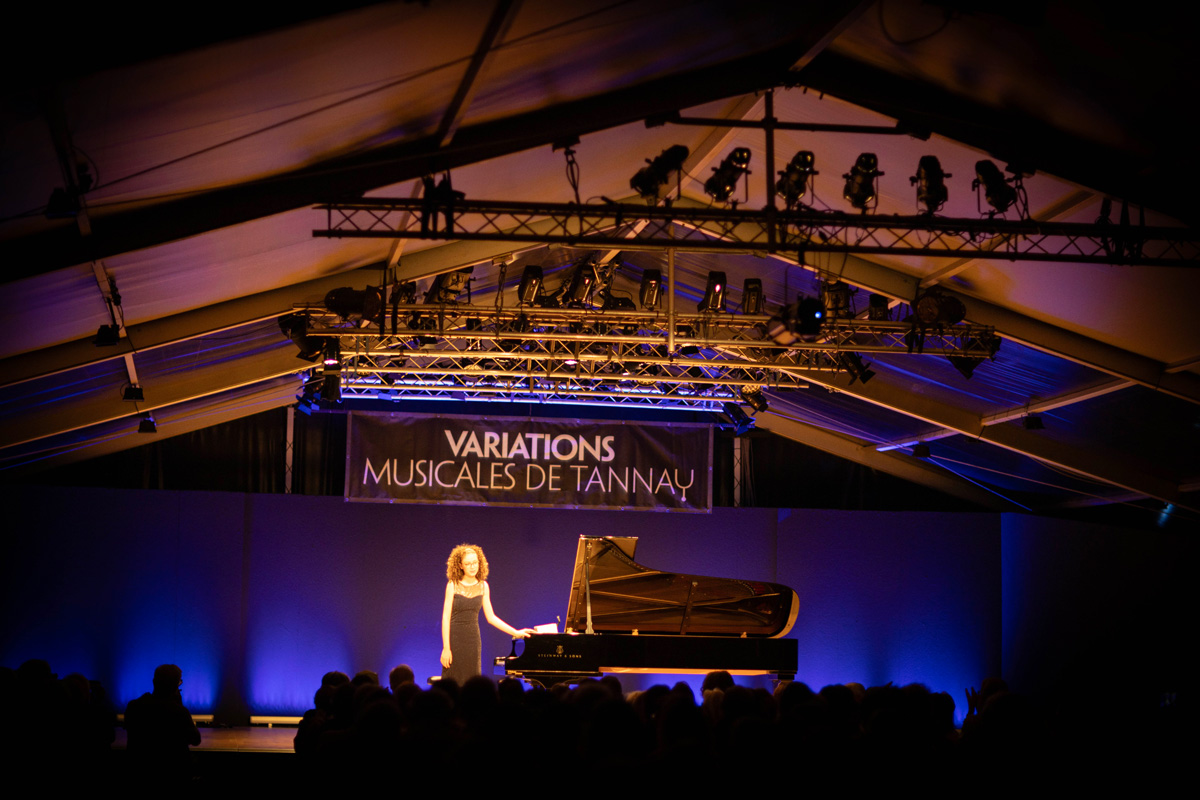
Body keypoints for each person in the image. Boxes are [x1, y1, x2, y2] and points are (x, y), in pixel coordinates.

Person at [441, 544, 532, 684]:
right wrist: (446, 648)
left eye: (475, 562)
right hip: (454, 640)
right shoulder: (452, 585)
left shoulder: (483, 586)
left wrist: (516, 632)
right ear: (460, 565)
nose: (472, 566)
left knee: (471, 681)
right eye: (468, 563)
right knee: (453, 681)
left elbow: (491, 617)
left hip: (473, 640)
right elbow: (446, 617)